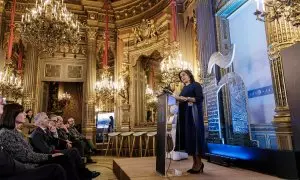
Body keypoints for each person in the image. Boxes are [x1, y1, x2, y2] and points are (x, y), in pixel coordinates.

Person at [0, 103, 82, 180]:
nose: (25, 114)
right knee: (57, 168)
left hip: (31, 162)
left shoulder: (15, 131)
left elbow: (31, 151)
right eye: (22, 112)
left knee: (63, 158)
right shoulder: (6, 133)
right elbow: (25, 156)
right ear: (13, 114)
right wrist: (50, 156)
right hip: (25, 167)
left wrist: (51, 155)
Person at [173, 69, 205, 174]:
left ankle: (199, 163)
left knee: (195, 137)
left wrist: (185, 98)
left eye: (184, 75)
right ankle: (195, 163)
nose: (182, 77)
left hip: (193, 115)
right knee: (190, 138)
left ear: (189, 75)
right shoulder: (184, 88)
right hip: (185, 116)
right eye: (181, 76)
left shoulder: (196, 85)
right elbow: (183, 100)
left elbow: (199, 99)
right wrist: (176, 99)